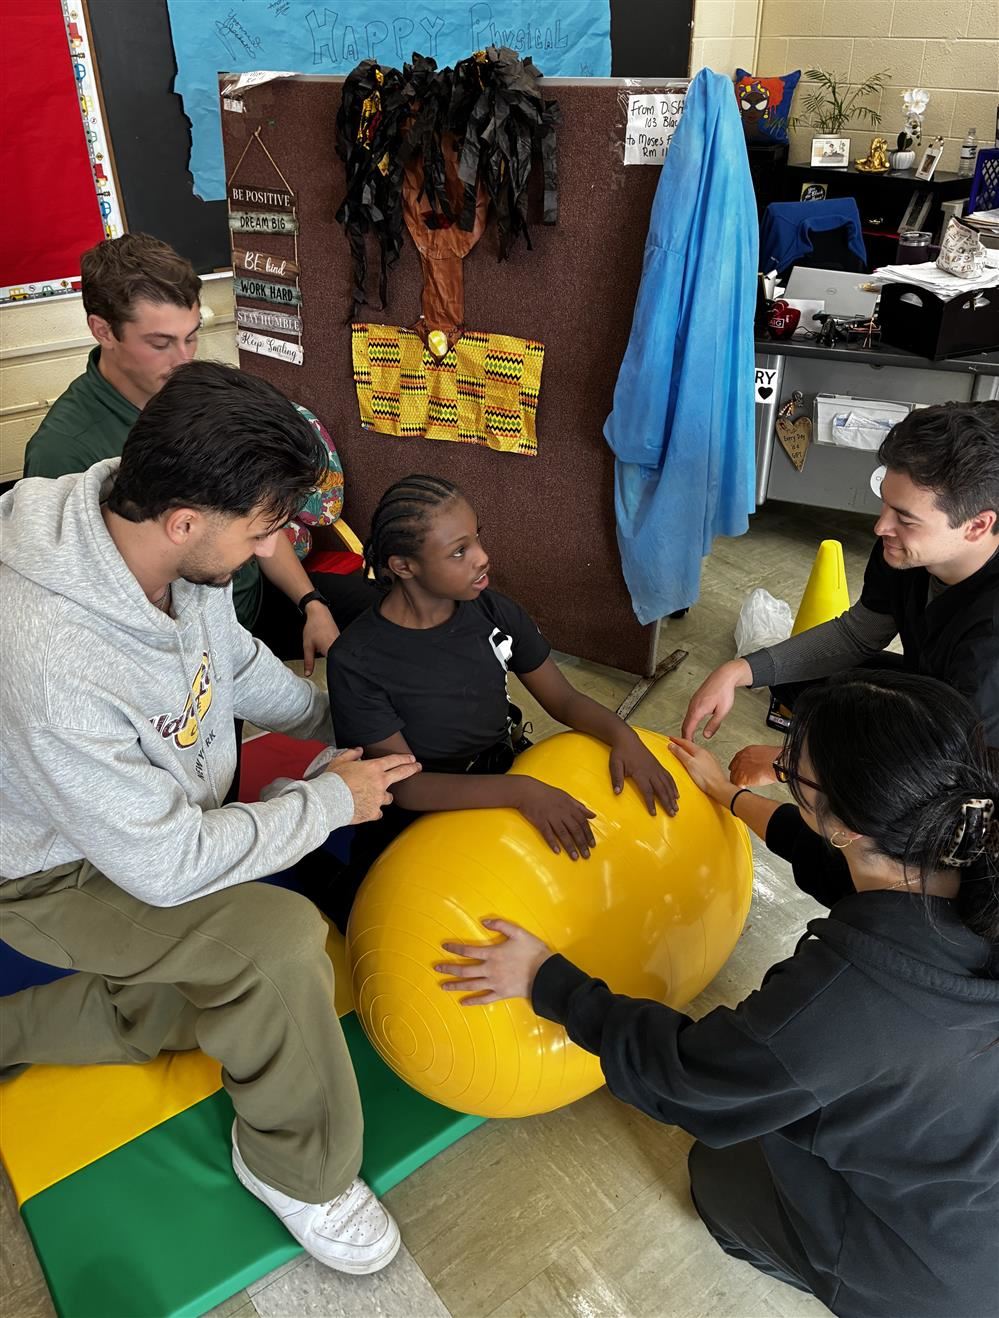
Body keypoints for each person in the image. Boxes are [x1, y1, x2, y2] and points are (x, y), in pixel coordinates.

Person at [0, 360, 422, 1275]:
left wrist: (339, 728)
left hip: (140, 817)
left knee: (215, 975)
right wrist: (320, 801)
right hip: (47, 867)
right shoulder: (52, 654)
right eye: (264, 530)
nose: (270, 547)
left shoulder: (152, 533)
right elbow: (159, 864)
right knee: (272, 946)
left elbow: (231, 667)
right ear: (187, 522)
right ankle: (297, 1171)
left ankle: (30, 1027)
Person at [437, 671, 999, 1318]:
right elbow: (841, 867)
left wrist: (545, 980)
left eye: (794, 773)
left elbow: (689, 1078)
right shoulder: (963, 854)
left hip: (934, 1272)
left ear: (845, 825)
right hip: (962, 1164)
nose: (784, 773)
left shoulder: (836, 1003)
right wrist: (729, 796)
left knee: (717, 1169)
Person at [310, 473, 679, 928]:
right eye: (459, 551)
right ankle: (318, 872)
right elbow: (405, 786)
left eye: (477, 537)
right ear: (404, 566)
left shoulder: (492, 611)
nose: (483, 558)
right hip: (421, 810)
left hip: (500, 772)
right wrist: (522, 792)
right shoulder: (357, 660)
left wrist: (625, 739)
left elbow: (563, 699)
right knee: (381, 921)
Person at [23, 232, 375, 675]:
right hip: (176, 644)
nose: (184, 358)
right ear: (102, 330)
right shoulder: (64, 450)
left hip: (246, 596)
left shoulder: (192, 391)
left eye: (191, 337)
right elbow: (89, 608)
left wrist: (311, 602)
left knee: (378, 616)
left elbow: (258, 514)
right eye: (160, 343)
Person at [681, 401, 999, 783]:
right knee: (803, 683)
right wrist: (739, 670)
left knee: (879, 820)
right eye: (885, 503)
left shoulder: (989, 643)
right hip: (936, 692)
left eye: (905, 518)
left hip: (974, 763)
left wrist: (793, 765)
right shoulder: (904, 552)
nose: (881, 526)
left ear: (977, 526)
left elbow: (942, 765)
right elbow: (858, 634)